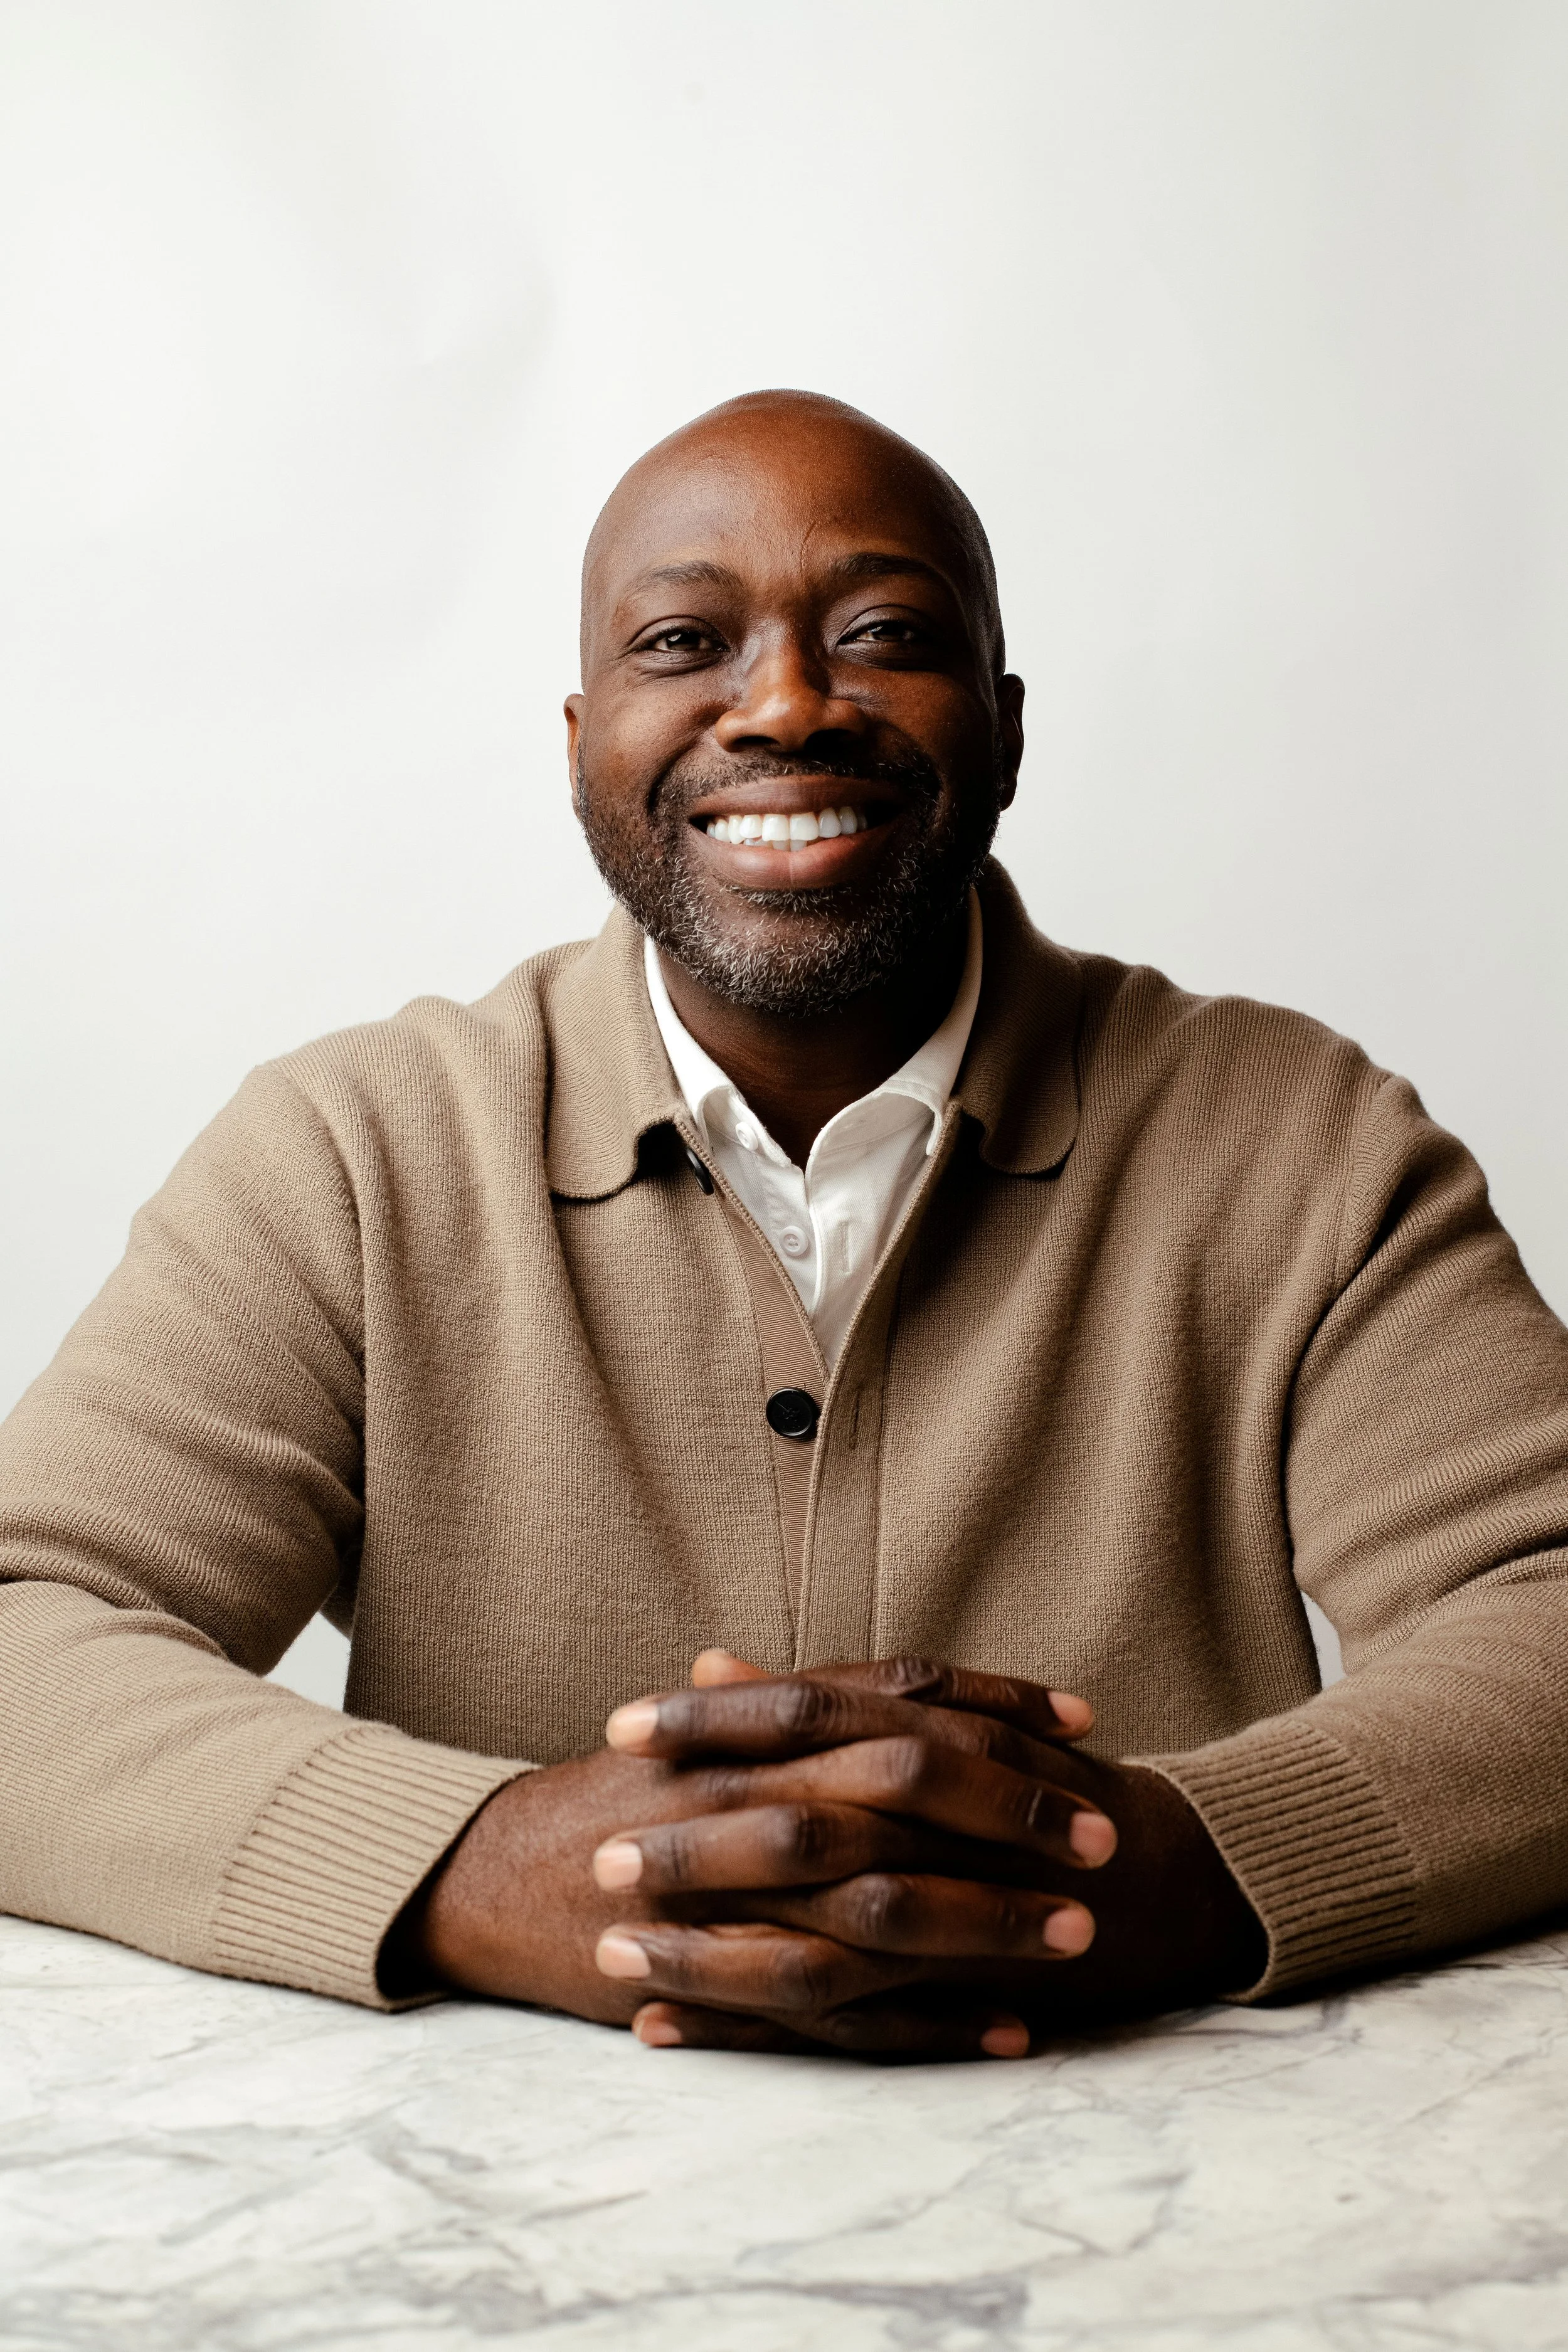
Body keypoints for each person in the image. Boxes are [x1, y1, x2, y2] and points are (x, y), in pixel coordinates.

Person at [2, 391, 1565, 2063]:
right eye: (685, 640)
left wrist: (1163, 1870)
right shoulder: (354, 1150)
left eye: (882, 635)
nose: (787, 705)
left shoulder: (1297, 1142)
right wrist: (483, 1865)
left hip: (1162, 2206)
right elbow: (33, 1632)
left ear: (1004, 725)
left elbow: (1540, 1601)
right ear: (581, 732)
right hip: (494, 2238)